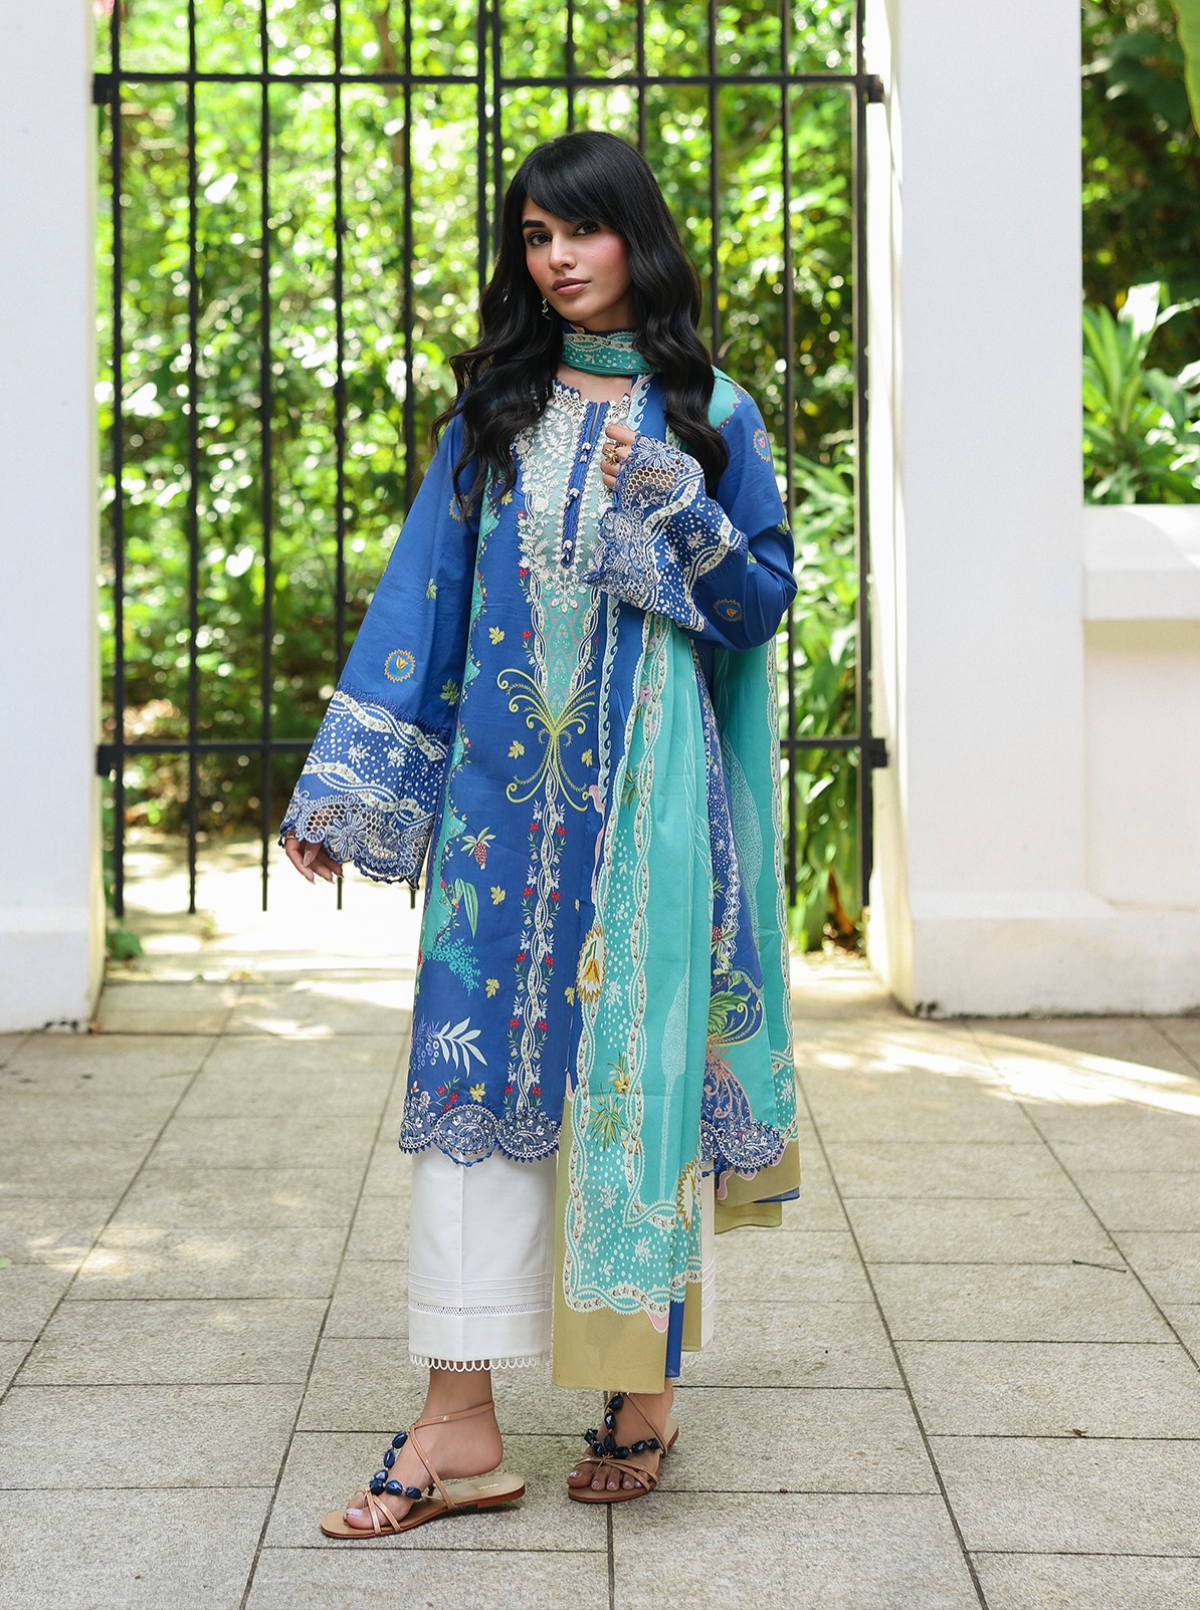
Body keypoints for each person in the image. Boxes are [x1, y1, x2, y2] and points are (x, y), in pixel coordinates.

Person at [282, 128, 800, 1537]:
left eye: (581, 229)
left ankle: (641, 1385)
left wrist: (680, 511)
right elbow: (423, 602)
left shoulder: (714, 415)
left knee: (633, 1081)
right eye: (534, 236)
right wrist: (350, 784)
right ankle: (457, 1420)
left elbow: (757, 607)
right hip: (499, 818)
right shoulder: (497, 417)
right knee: (471, 1085)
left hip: (651, 812)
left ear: (638, 236)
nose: (558, 258)